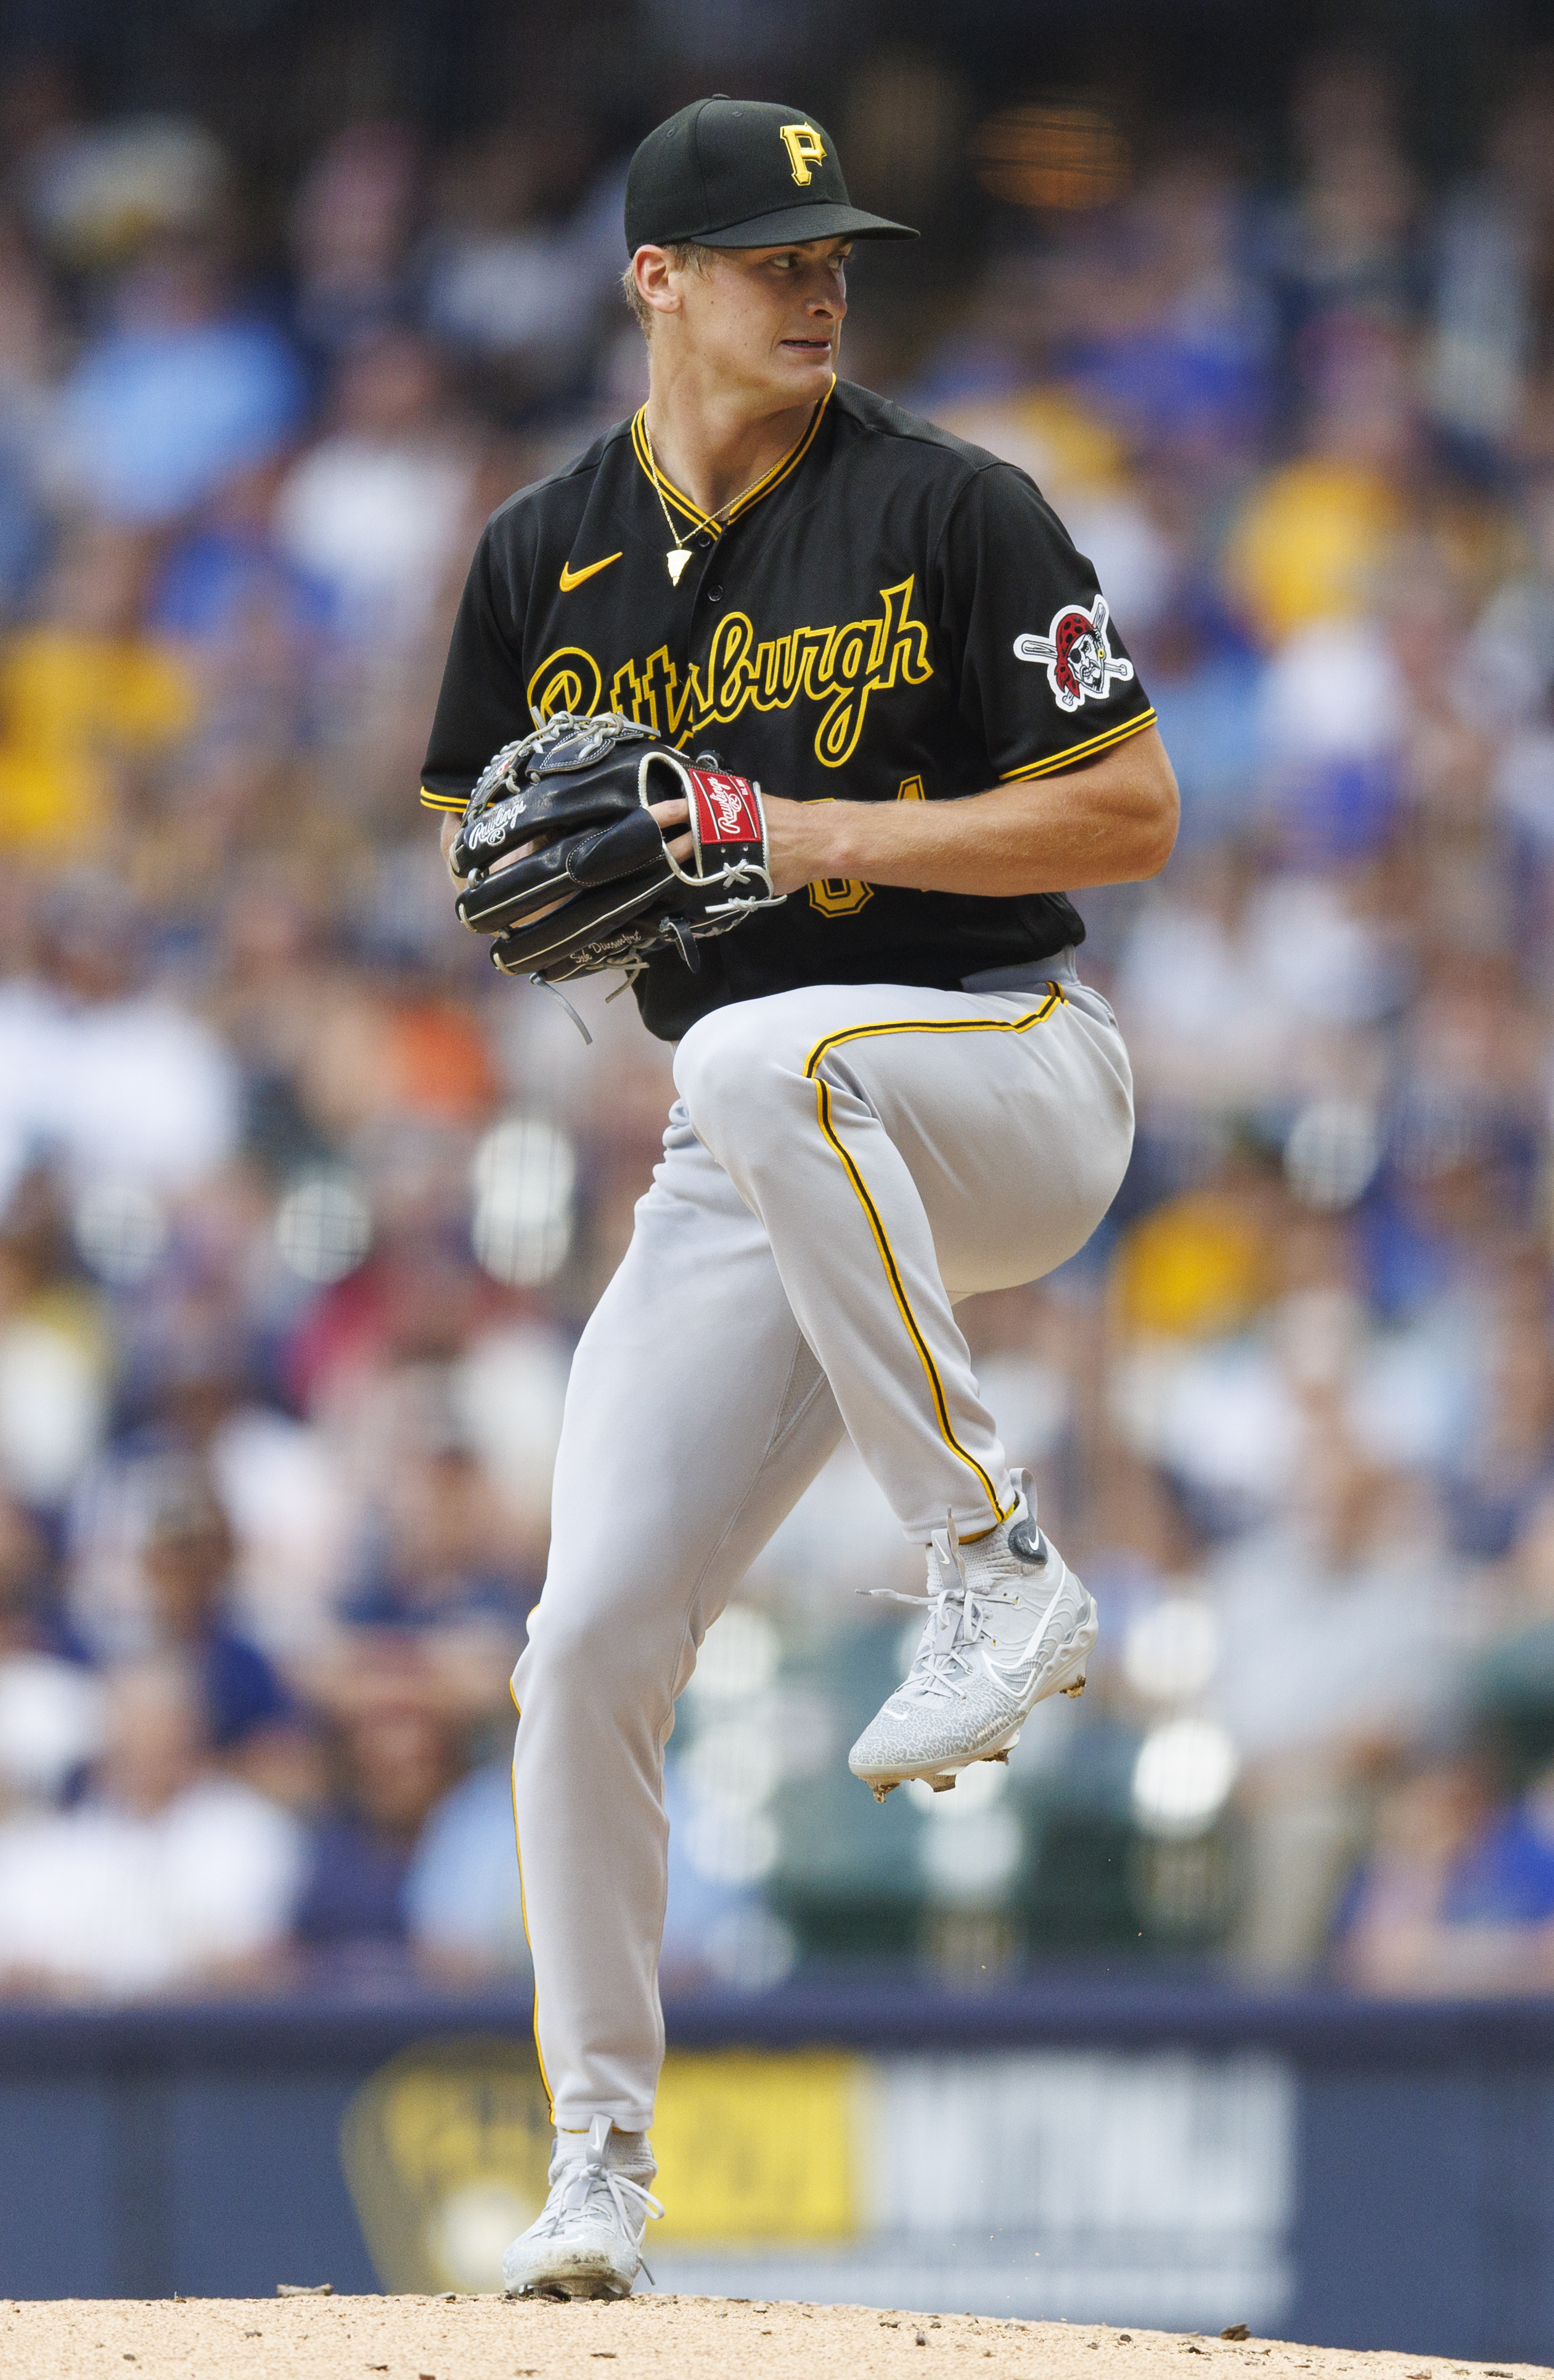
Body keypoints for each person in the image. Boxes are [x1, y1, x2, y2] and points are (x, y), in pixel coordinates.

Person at [420, 97, 1177, 2298]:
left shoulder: (951, 506)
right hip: (756, 1150)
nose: (819, 282)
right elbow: (483, 843)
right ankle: (595, 2166)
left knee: (763, 1037)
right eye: (769, 255)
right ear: (655, 279)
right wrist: (520, 886)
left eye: (833, 248)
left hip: (1011, 1079)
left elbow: (1127, 811)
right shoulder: (536, 550)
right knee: (583, 1641)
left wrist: (802, 826)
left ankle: (990, 1560)